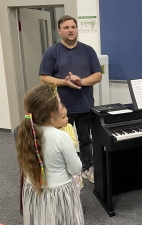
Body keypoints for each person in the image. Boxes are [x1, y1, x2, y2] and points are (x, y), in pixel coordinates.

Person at [39, 15, 102, 183]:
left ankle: (88, 168)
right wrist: (65, 82)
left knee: (85, 140)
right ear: (59, 31)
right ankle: (64, 171)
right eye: (66, 27)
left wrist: (81, 81)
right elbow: (44, 78)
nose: (70, 30)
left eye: (73, 27)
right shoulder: (52, 52)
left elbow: (97, 75)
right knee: (60, 141)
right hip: (60, 109)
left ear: (77, 29)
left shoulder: (88, 50)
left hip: (84, 105)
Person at [16, 83, 84, 225]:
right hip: (59, 193)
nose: (61, 103)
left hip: (34, 190)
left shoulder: (27, 132)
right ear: (53, 114)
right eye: (59, 102)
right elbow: (75, 169)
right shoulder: (62, 137)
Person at [56, 104, 83, 189]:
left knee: (76, 185)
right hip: (60, 164)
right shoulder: (52, 132)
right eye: (63, 117)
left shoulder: (69, 126)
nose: (67, 119)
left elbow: (75, 143)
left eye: (66, 116)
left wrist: (66, 143)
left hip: (71, 159)